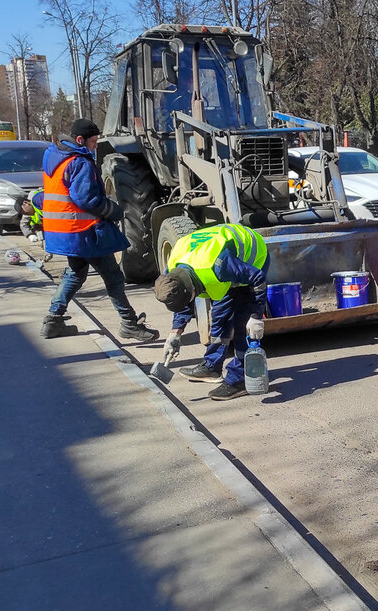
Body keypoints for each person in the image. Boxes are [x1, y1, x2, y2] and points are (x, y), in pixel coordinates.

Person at [38, 119, 159, 342]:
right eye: (93, 141)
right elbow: (85, 198)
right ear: (80, 140)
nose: (96, 145)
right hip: (84, 231)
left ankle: (53, 320)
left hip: (63, 231)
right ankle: (129, 323)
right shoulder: (79, 162)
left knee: (75, 274)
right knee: (113, 276)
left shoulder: (54, 157)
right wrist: (112, 210)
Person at [152, 223, 269, 401]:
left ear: (191, 289)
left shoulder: (219, 266)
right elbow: (180, 297)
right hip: (223, 263)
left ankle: (240, 378)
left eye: (189, 298)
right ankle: (212, 366)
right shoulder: (173, 268)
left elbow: (257, 279)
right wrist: (176, 332)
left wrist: (255, 316)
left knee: (242, 324)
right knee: (220, 316)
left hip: (252, 260)